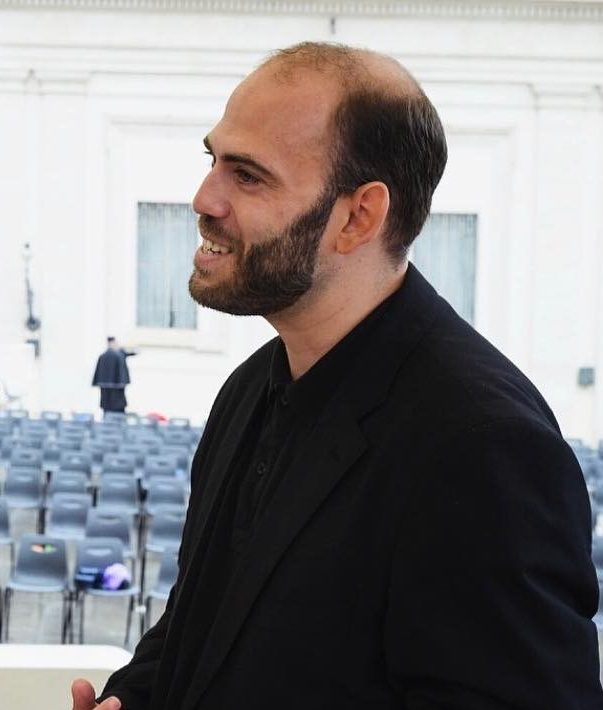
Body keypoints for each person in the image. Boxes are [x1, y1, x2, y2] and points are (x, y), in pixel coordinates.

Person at [73, 42, 602, 710]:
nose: (204, 198)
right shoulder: (248, 388)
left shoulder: (481, 443)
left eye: (248, 176)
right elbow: (204, 622)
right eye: (213, 161)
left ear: (358, 217)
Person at [92, 337, 136, 413]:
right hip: (116, 390)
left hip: (107, 390)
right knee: (117, 408)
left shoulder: (103, 356)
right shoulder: (118, 355)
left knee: (108, 409)